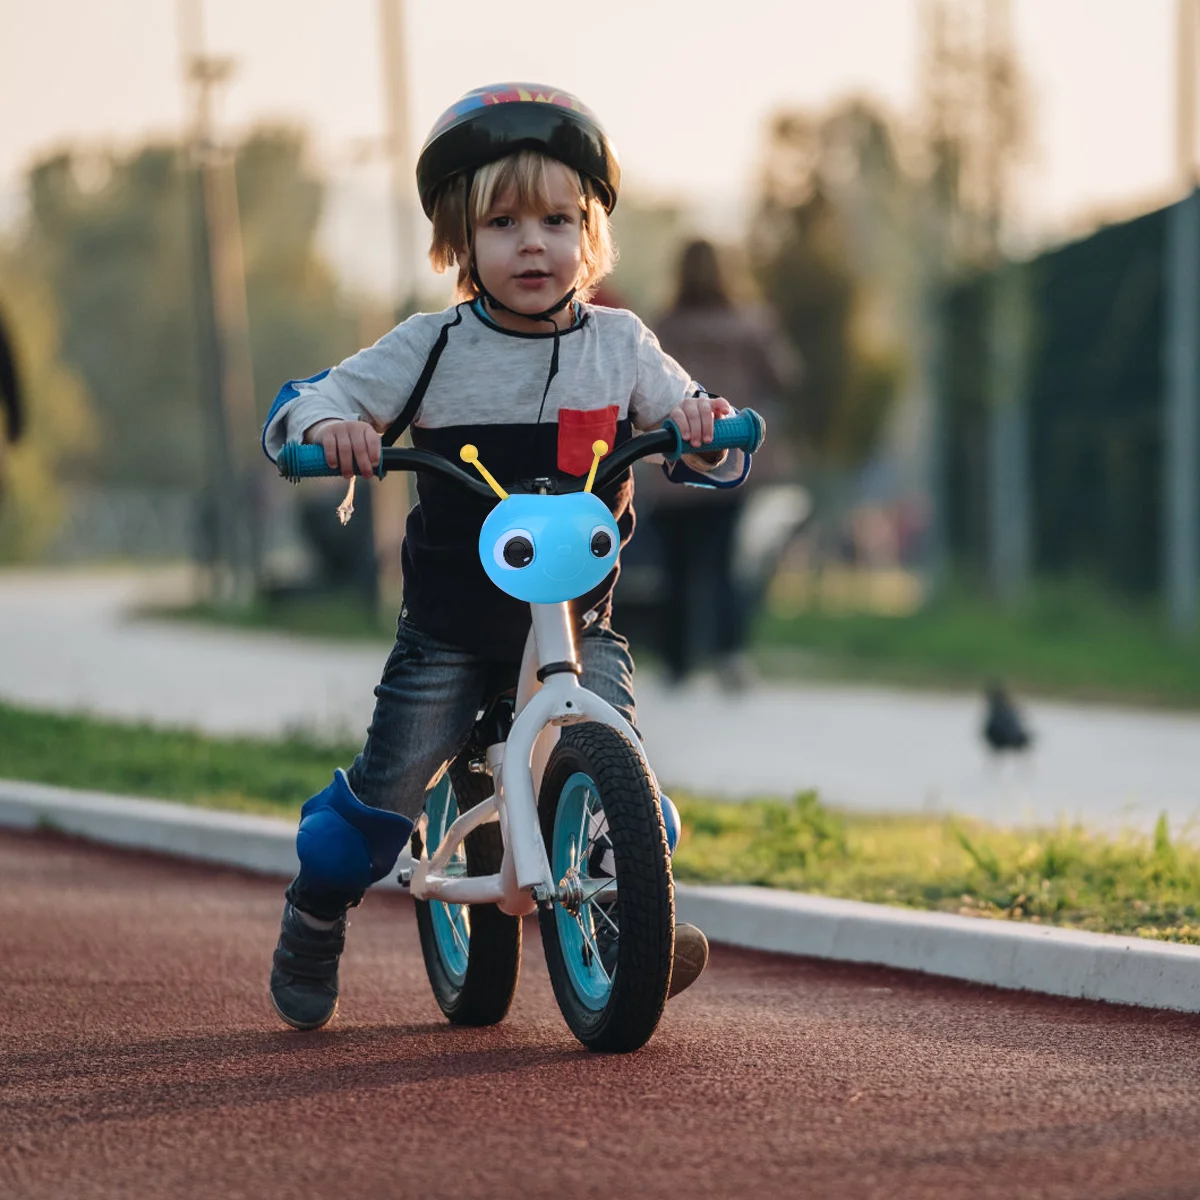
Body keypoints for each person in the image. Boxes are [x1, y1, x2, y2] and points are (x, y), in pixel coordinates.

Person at [260, 84, 754, 1031]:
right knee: (387, 795)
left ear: (592, 234)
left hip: (578, 622)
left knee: (620, 768)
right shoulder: (433, 346)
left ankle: (627, 918)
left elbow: (707, 432)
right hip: (452, 630)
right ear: (458, 239)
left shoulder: (620, 345)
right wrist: (334, 429)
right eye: (504, 221)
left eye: (559, 220)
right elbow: (306, 404)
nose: (534, 243)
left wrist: (699, 424)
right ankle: (317, 908)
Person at [649, 240, 800, 687]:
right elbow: (786, 376)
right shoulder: (750, 324)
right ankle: (729, 652)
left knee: (675, 567)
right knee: (722, 563)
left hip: (675, 464)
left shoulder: (663, 327)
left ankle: (676, 662)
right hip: (727, 460)